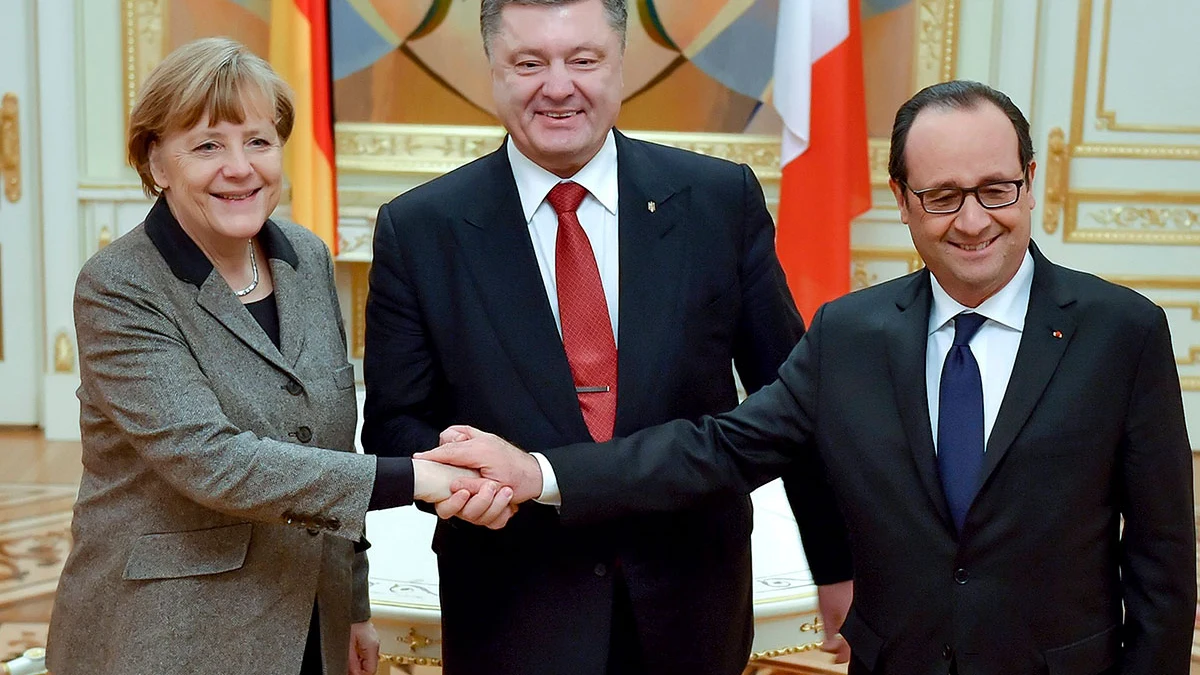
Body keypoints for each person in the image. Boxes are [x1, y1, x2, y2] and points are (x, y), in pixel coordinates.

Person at [424, 80, 1198, 675]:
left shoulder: (1119, 332)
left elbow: (1163, 559)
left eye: (997, 189)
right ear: (901, 201)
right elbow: (717, 449)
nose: (973, 220)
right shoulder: (849, 335)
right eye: (942, 196)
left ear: (1029, 179)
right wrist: (539, 470)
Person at [360, 0, 853, 673]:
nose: (557, 86)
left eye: (583, 60)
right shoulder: (419, 230)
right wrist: (464, 477)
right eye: (529, 62)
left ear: (620, 65)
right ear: (493, 72)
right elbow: (394, 428)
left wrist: (837, 565)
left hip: (691, 606)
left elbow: (792, 405)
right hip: (512, 607)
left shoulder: (718, 201)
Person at [45, 37, 483, 675]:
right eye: (206, 145)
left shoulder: (304, 258)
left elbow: (330, 443)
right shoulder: (120, 285)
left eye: (258, 140)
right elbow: (212, 461)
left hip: (310, 616)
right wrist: (416, 477)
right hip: (169, 633)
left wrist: (353, 604)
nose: (240, 167)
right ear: (156, 162)